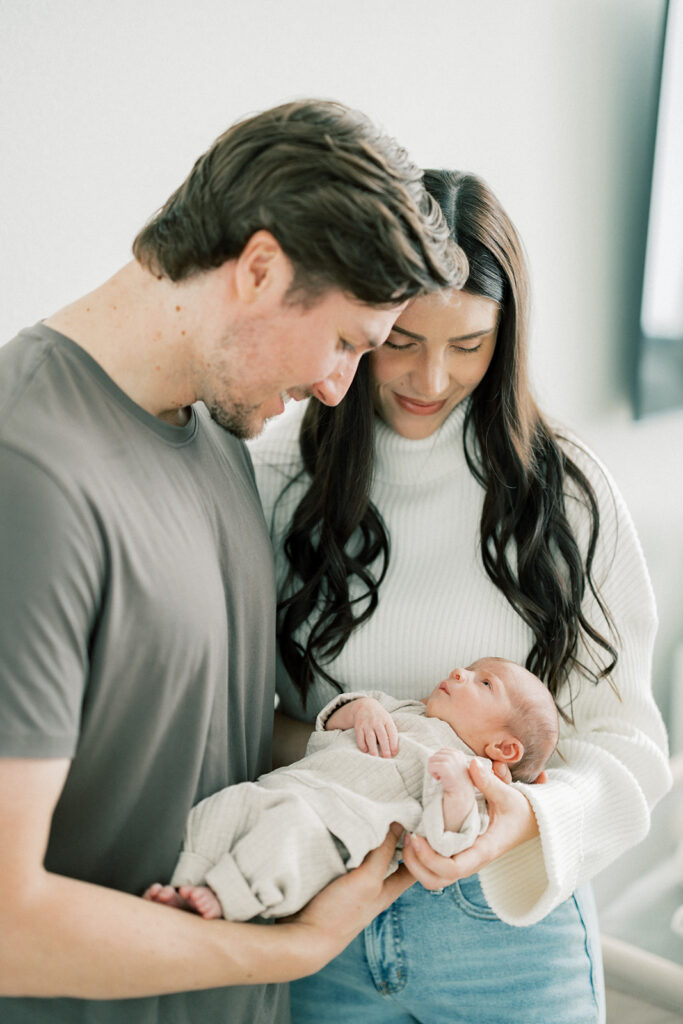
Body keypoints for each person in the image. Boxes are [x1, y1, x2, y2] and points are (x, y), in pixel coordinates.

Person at [0, 101, 462, 1024]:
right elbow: (8, 921)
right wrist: (297, 947)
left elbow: (193, 736)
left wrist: (393, 762)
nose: (336, 386)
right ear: (258, 268)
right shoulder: (30, 471)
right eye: (345, 342)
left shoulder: (218, 435)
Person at [249, 169, 673, 1023]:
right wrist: (354, 741)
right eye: (402, 340)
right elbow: (239, 721)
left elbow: (629, 744)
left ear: (505, 339)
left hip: (505, 923)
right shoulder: (275, 480)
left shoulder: (566, 493)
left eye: (469, 345)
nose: (431, 377)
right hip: (320, 904)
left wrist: (522, 817)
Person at [143, 657, 558, 921]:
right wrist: (363, 709)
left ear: (504, 748)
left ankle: (222, 897)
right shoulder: (406, 709)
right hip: (291, 785)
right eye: (468, 668)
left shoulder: (475, 776)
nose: (459, 673)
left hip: (337, 828)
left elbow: (450, 840)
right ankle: (188, 878)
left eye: (485, 684)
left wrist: (457, 791)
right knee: (227, 806)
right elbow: (328, 725)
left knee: (285, 844)